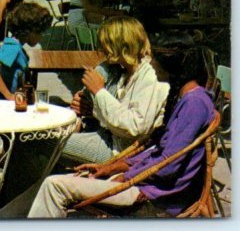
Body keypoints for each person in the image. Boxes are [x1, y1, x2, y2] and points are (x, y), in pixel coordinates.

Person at [29, 43, 216, 218]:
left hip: (152, 195)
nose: (151, 65)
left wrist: (126, 178)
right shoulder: (189, 98)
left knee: (54, 186)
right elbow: (155, 153)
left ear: (170, 66)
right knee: (61, 181)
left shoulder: (194, 103)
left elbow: (168, 165)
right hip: (142, 184)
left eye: (154, 61)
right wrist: (110, 168)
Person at [60, 17, 169, 166]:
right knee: (46, 139)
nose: (102, 50)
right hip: (108, 137)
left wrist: (99, 92)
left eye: (106, 45)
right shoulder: (125, 71)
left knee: (50, 144)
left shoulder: (150, 76)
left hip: (121, 151)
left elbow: (135, 127)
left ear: (121, 46)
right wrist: (89, 106)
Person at [0, 3, 52, 100]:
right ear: (30, 31)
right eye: (40, 32)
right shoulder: (13, 47)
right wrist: (8, 95)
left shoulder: (15, 45)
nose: (41, 37)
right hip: (7, 104)